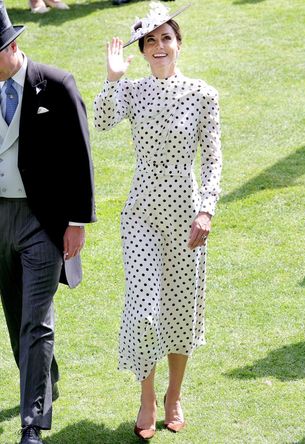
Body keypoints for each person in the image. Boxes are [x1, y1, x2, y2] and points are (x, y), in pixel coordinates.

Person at [94, 1, 221, 440]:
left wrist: (206, 207)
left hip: (188, 215)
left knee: (181, 309)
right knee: (143, 306)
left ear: (179, 44)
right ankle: (147, 396)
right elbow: (102, 120)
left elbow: (213, 160)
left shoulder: (204, 94)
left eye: (166, 37)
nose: (159, 46)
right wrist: (113, 78)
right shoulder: (133, 91)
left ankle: (174, 396)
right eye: (151, 41)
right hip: (142, 214)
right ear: (144, 52)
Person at [0, 2, 96, 443]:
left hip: (43, 222)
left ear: (12, 46)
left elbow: (81, 156)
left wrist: (77, 221)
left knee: (36, 323)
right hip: (0, 218)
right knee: (17, 318)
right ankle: (46, 379)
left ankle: (32, 425)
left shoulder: (56, 85)